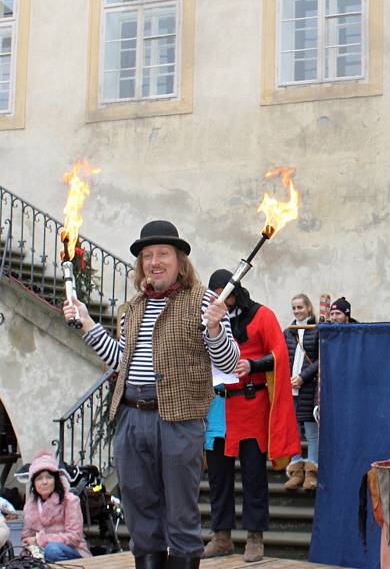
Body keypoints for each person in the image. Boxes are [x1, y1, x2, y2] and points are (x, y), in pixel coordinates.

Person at [62, 220, 239, 569]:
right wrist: (85, 322)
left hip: (179, 418)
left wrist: (216, 328)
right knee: (139, 510)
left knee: (180, 510)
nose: (154, 262)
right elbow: (121, 361)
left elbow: (229, 362)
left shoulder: (205, 301)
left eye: (162, 254)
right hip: (130, 415)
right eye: (147, 256)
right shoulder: (132, 308)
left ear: (180, 261)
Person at [202, 270, 300, 561]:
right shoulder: (207, 319)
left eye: (228, 293)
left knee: (254, 476)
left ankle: (255, 538)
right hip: (218, 407)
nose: (225, 299)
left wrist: (254, 365)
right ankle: (221, 536)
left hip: (251, 407)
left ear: (237, 292)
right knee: (218, 478)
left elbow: (280, 354)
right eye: (218, 293)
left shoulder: (262, 316)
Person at [20, 450, 91, 561]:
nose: (44, 482)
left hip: (71, 551)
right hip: (39, 554)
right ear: (33, 483)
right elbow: (26, 538)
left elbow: (74, 537)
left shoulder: (70, 501)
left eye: (48, 477)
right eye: (39, 479)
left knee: (52, 550)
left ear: (55, 480)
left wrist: (40, 540)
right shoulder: (30, 505)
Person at [283, 294, 320, 491]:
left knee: (311, 431)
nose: (297, 311)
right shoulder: (288, 332)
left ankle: (311, 471)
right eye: (294, 308)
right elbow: (282, 357)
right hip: (290, 388)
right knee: (293, 431)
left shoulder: (316, 331)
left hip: (308, 387)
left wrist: (303, 377)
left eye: (300, 307)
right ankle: (296, 470)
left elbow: (321, 359)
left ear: (308, 308)